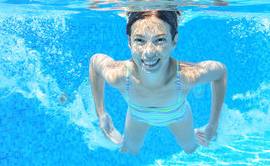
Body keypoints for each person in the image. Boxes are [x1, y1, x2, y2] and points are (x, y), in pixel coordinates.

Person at [89, 10, 227, 154]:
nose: (149, 52)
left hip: (177, 116)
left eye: (160, 40)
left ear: (174, 41)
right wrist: (101, 113)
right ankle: (198, 84)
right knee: (130, 149)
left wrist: (213, 124)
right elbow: (94, 62)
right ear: (129, 42)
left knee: (190, 148)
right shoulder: (119, 75)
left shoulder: (187, 76)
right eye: (139, 40)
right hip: (138, 116)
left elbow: (221, 72)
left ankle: (199, 83)